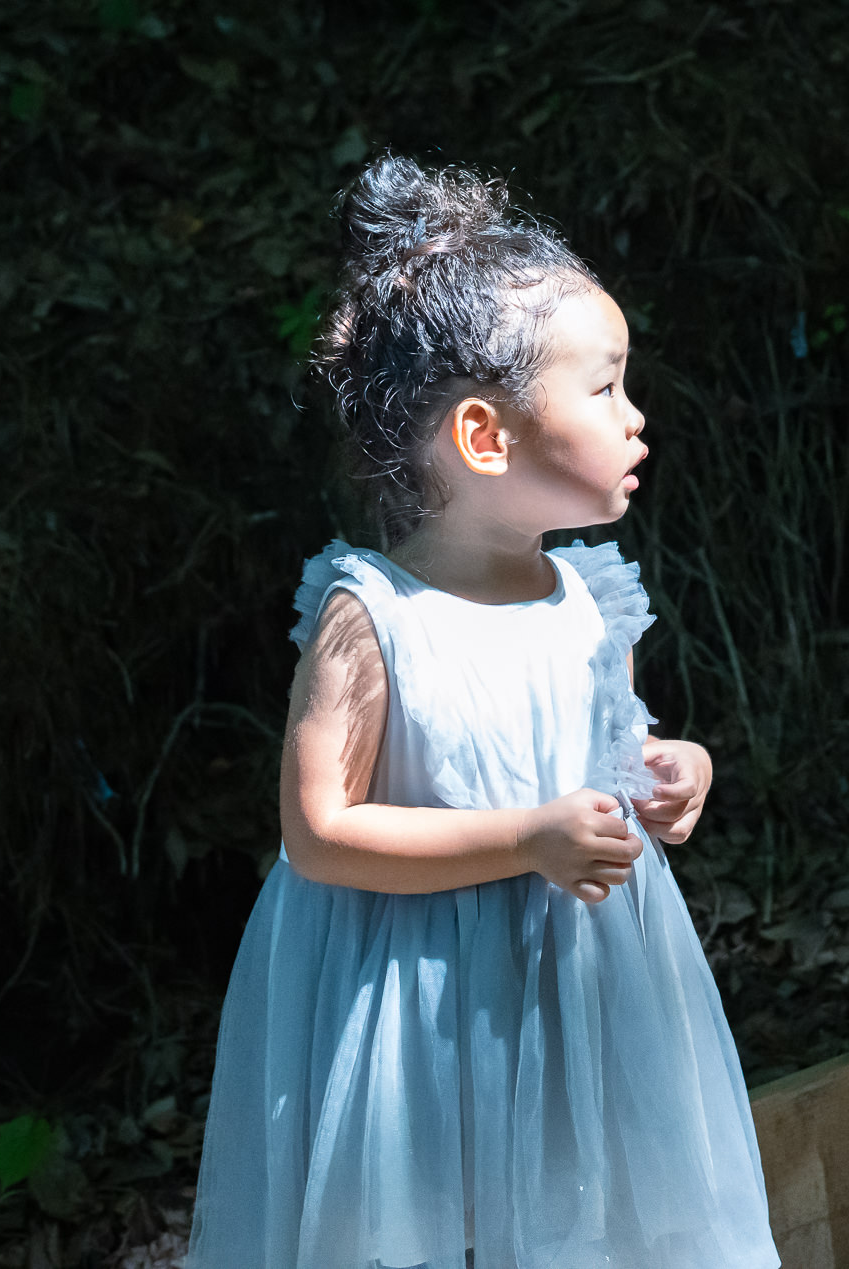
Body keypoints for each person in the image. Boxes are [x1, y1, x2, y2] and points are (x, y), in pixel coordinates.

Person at [187, 156, 778, 1269]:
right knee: (437, 1226)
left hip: (575, 985)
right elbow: (318, 832)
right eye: (603, 389)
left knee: (579, 1215)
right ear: (484, 438)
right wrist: (526, 839)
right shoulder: (374, 617)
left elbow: (606, 743)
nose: (636, 417)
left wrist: (668, 770)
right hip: (416, 1003)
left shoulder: (587, 597)